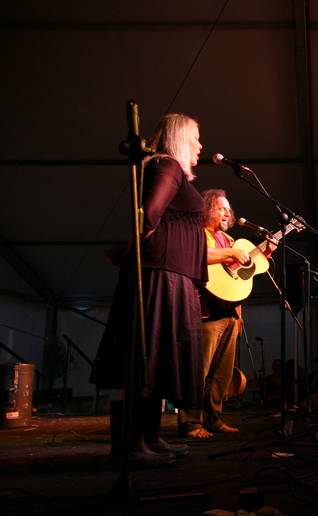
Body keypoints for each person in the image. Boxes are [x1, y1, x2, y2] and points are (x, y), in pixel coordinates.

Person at [90, 113, 208, 467]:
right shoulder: (167, 165)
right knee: (150, 357)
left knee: (160, 360)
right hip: (162, 275)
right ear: (180, 138)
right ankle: (132, 443)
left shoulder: (171, 169)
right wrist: (130, 249)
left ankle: (151, 436)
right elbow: (150, 214)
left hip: (173, 275)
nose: (201, 146)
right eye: (197, 138)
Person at [178, 189, 251, 439]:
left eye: (228, 210)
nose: (227, 213)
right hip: (206, 314)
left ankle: (214, 418)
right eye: (221, 208)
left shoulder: (230, 240)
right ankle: (190, 422)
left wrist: (261, 255)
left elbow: (236, 278)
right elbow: (198, 256)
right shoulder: (199, 235)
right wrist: (231, 254)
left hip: (229, 314)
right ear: (207, 208)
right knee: (199, 370)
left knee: (222, 372)